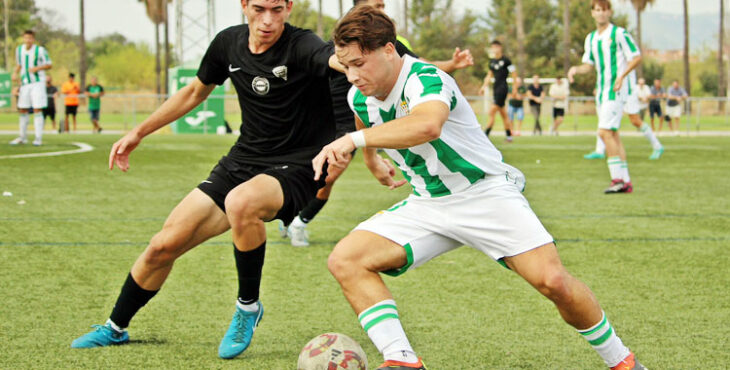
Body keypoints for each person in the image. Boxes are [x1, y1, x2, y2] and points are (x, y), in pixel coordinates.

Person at [316, 6, 647, 369]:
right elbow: (368, 121)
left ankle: (623, 361)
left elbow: (427, 125)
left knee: (554, 282)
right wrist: (371, 160)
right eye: (345, 66)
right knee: (346, 260)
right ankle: (403, 360)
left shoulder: (425, 79)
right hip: (428, 203)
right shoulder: (358, 96)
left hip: (485, 193)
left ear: (389, 50)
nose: (352, 76)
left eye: (359, 64)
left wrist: (353, 140)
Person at [71, 0, 345, 360]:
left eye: (277, 9)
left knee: (242, 203)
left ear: (289, 7)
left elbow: (335, 60)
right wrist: (139, 132)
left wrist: (382, 57)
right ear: (244, 5)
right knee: (162, 246)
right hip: (244, 159)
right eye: (259, 8)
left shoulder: (302, 44)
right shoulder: (227, 44)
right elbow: (194, 92)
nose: (267, 19)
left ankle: (248, 306)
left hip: (298, 163)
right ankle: (115, 327)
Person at [281, 0, 474, 247]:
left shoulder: (386, 44)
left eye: (383, 5)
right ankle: (295, 216)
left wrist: (452, 64)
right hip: (339, 121)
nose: (382, 11)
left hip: (366, 122)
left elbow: (422, 66)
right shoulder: (342, 48)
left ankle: (298, 220)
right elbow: (323, 63)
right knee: (326, 176)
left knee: (328, 176)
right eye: (376, 5)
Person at [569, 0, 640, 193]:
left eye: (604, 10)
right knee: (613, 135)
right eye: (597, 10)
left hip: (615, 90)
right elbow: (589, 65)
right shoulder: (591, 38)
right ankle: (626, 181)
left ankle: (617, 179)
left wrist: (622, 76)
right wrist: (576, 69)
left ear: (609, 12)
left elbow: (636, 57)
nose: (601, 13)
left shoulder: (619, 33)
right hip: (601, 92)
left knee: (604, 133)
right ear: (592, 13)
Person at [583, 73, 664, 160]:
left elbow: (635, 60)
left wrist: (621, 77)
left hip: (628, 90)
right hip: (613, 90)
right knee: (604, 120)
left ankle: (657, 146)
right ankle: (600, 150)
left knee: (635, 120)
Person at [9, 30, 52, 146]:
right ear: (23, 38)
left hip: (37, 83)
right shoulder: (19, 50)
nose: (28, 40)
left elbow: (49, 64)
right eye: (26, 38)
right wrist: (15, 73)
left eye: (30, 38)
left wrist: (36, 69)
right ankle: (22, 137)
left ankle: (38, 138)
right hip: (25, 83)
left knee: (37, 109)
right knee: (23, 109)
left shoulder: (40, 50)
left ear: (33, 39)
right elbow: (19, 64)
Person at [479, 40, 516, 142]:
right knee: (503, 114)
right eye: (492, 47)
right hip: (495, 88)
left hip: (503, 88)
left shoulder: (506, 60)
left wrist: (515, 89)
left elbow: (514, 75)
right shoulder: (492, 62)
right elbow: (489, 75)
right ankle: (509, 136)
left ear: (500, 48)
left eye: (496, 47)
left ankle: (485, 135)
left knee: (492, 111)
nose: (494, 49)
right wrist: (483, 86)